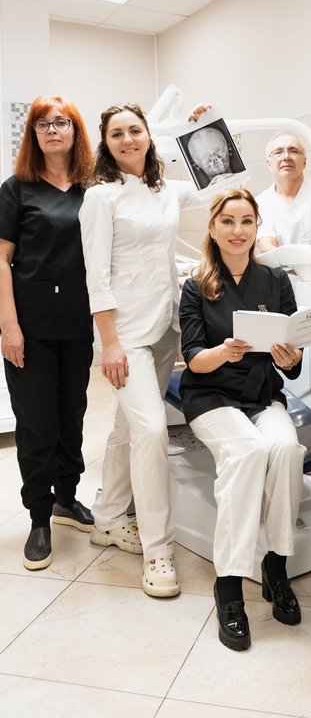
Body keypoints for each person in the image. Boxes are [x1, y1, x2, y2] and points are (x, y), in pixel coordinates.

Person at [79, 101, 209, 598]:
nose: (127, 139)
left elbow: (221, 181)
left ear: (150, 136)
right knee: (152, 430)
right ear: (106, 144)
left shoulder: (165, 190)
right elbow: (96, 276)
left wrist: (203, 126)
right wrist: (109, 344)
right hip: (125, 335)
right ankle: (158, 551)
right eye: (117, 133)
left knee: (126, 427)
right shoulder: (101, 197)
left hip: (165, 327)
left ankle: (108, 517)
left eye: (135, 130)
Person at [178, 187, 306, 651]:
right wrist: (223, 352)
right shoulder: (197, 285)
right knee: (248, 452)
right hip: (210, 396)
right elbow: (194, 359)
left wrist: (291, 357)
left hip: (260, 394)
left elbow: (293, 358)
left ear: (256, 227)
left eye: (247, 221)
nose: (238, 230)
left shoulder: (275, 281)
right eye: (228, 221)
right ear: (213, 228)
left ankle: (276, 565)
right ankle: (229, 586)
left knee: (287, 449)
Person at [0, 95, 95, 571]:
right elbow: (1, 260)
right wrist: (9, 326)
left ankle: (66, 498)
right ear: (33, 134)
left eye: (61, 122)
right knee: (37, 422)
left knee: (72, 414)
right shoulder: (17, 189)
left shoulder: (93, 188)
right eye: (42, 124)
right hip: (31, 327)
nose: (52, 129)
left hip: (78, 323)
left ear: (76, 131)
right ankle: (39, 517)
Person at [256, 131, 311, 301]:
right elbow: (268, 247)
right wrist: (306, 269)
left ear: (305, 161)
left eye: (293, 151)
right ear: (269, 164)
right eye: (278, 152)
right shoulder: (261, 202)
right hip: (285, 293)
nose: (286, 156)